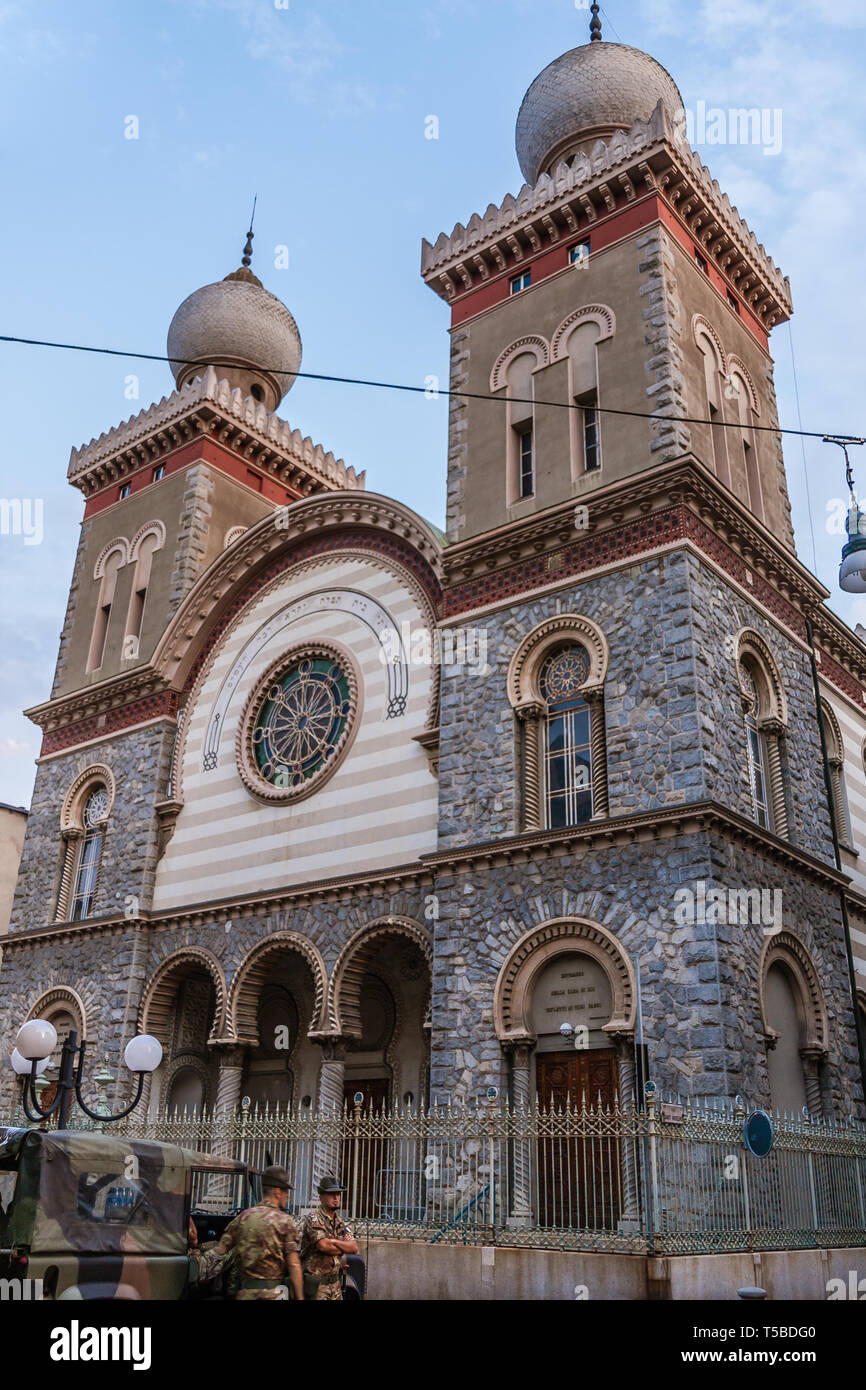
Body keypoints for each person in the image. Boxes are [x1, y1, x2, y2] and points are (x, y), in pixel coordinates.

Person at [190, 1164, 303, 1301]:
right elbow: (294, 1264)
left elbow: (219, 1251)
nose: (287, 1196)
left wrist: (194, 1269)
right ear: (278, 1192)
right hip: (273, 1294)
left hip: (245, 1293)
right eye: (286, 1192)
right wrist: (300, 1297)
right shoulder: (285, 1222)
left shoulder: (242, 1218)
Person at [299, 1175, 359, 1301]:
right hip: (317, 1286)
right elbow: (324, 1246)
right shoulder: (314, 1218)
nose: (336, 1198)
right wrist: (342, 1245)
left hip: (335, 1284)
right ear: (321, 1197)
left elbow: (353, 1248)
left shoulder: (339, 1222)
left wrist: (333, 1241)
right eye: (331, 1194)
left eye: (338, 1194)